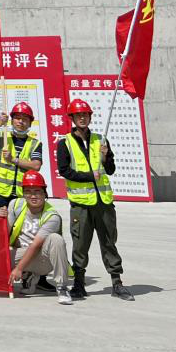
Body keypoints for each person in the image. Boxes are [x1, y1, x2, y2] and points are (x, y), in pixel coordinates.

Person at [58, 98, 132, 301]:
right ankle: (79, 285)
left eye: (85, 114)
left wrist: (107, 157)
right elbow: (65, 171)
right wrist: (90, 176)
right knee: (80, 244)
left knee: (109, 242)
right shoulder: (64, 143)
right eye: (78, 115)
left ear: (90, 117)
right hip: (81, 205)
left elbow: (111, 170)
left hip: (104, 203)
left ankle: (117, 283)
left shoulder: (101, 139)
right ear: (72, 118)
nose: (82, 118)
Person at [8, 171, 74, 305]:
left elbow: (35, 245)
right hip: (20, 252)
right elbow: (4, 233)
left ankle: (61, 287)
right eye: (28, 191)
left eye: (37, 191)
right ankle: (30, 277)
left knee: (56, 239)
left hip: (43, 259)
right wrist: (2, 218)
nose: (32, 195)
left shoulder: (52, 216)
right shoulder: (15, 205)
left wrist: (19, 268)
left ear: (45, 193)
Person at [0, 101, 43, 217]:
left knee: (19, 227)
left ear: (30, 123)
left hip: (22, 194)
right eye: (17, 118)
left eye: (25, 119)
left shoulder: (35, 143)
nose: (21, 122)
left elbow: (36, 165)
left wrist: (13, 159)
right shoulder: (3, 137)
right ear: (12, 120)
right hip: (2, 194)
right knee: (1, 227)